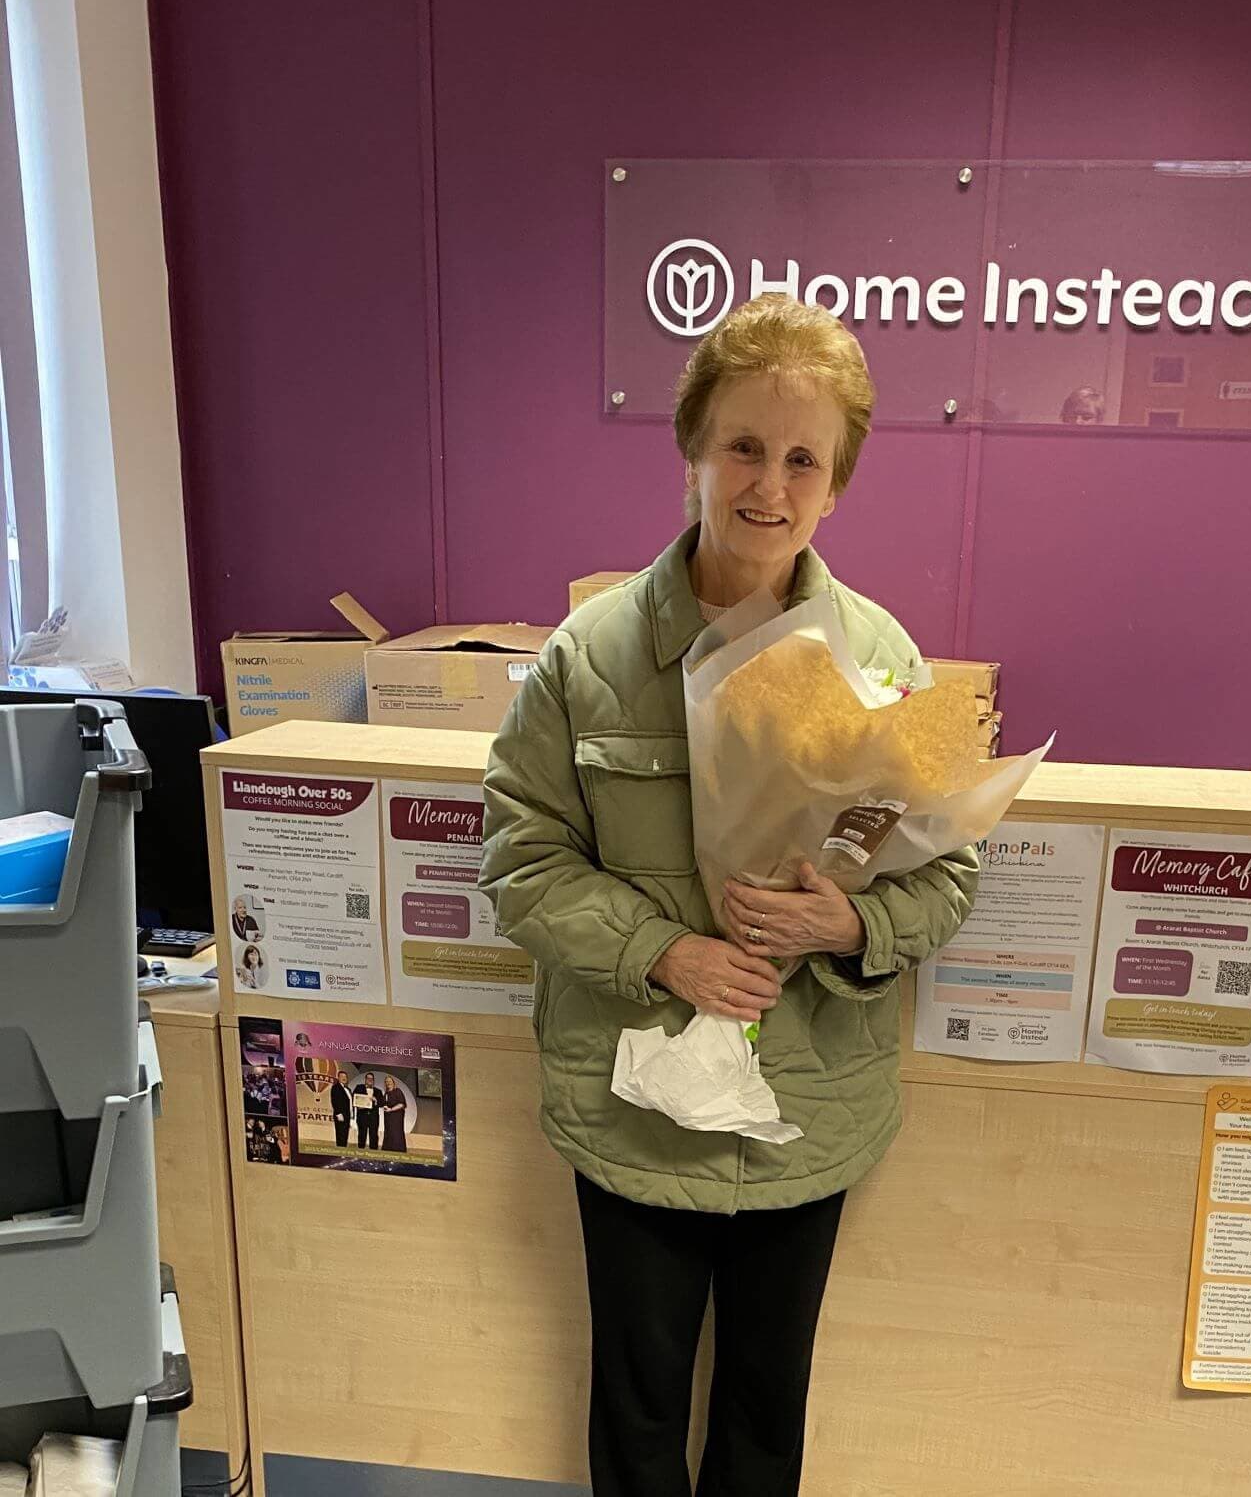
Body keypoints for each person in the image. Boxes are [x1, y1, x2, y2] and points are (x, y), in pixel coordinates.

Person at [480, 296, 979, 1497]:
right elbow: (519, 858)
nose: (768, 483)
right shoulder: (588, 658)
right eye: (744, 446)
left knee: (764, 1417)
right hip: (636, 1115)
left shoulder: (882, 660)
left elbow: (948, 867)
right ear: (691, 450)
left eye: (802, 458)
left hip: (807, 1115)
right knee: (638, 1414)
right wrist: (662, 950)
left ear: (836, 483)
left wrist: (849, 921)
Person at [352, 1071, 384, 1150]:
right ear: (365, 1079)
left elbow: (382, 1103)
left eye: (371, 1079)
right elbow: (354, 1099)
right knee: (362, 1134)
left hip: (374, 1117)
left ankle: (373, 1153)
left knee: (374, 1135)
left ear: (373, 1080)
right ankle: (360, 1152)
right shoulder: (359, 1087)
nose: (370, 1080)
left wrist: (375, 1100)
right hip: (362, 1116)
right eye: (368, 1078)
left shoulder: (378, 1091)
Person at [381, 1075, 407, 1152]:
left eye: (389, 1081)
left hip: (396, 1117)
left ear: (393, 1082)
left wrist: (391, 1109)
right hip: (388, 1117)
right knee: (388, 1132)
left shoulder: (398, 1091)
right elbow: (383, 1103)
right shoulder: (386, 1093)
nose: (388, 1083)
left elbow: (402, 1104)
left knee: (396, 1132)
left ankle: (398, 1150)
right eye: (386, 1081)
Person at [330, 1069, 353, 1147]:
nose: (344, 1078)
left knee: (345, 1135)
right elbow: (335, 1101)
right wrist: (338, 1114)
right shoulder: (335, 1087)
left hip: (347, 1115)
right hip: (341, 1115)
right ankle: (340, 1152)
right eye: (342, 1076)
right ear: (338, 1078)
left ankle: (343, 1151)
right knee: (340, 1135)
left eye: (345, 1077)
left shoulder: (348, 1089)